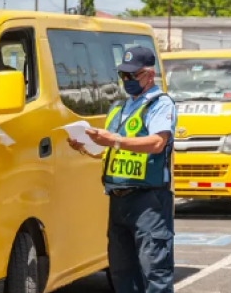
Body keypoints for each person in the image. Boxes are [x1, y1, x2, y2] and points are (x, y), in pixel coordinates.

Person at [67, 46, 177, 293]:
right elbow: (109, 151)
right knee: (122, 273)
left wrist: (113, 140)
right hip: (118, 199)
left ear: (149, 75)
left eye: (132, 75)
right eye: (123, 75)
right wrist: (85, 146)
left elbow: (157, 143)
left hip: (148, 200)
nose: (127, 80)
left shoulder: (159, 104)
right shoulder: (119, 107)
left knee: (155, 272)